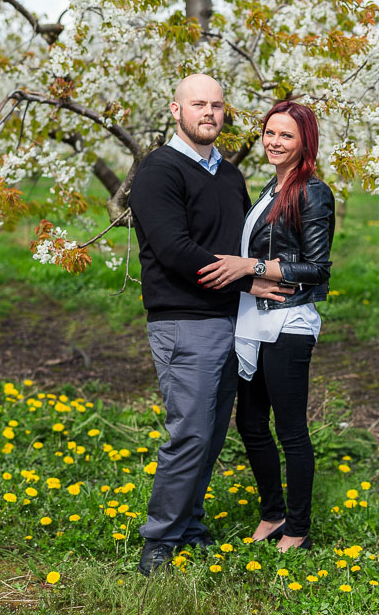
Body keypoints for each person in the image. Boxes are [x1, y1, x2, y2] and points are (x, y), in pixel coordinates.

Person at [127, 74, 292, 575]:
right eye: (198, 104)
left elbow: (244, 247)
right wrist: (247, 283)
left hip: (231, 321)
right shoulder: (158, 170)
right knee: (190, 434)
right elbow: (175, 250)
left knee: (213, 433)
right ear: (175, 110)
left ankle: (190, 526)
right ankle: (158, 541)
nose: (209, 113)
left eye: (217, 105)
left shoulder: (228, 176)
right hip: (184, 320)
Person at [197, 100, 335, 553]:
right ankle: (272, 512)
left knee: (290, 430)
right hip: (252, 322)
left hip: (288, 324)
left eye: (286, 136)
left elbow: (316, 268)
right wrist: (249, 276)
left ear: (304, 142)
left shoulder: (312, 192)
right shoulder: (269, 190)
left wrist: (251, 267)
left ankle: (298, 528)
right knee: (251, 424)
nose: (274, 142)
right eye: (269, 133)